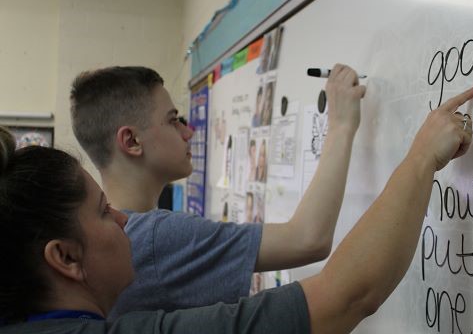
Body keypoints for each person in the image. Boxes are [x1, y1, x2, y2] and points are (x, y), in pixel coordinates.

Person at [0, 87, 473, 333]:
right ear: (64, 257)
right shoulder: (154, 241)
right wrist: (419, 159)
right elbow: (344, 293)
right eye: (104, 212)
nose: (125, 220)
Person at [69, 64, 366, 318]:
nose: (189, 132)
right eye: (174, 120)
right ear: (132, 141)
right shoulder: (155, 237)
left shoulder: (112, 239)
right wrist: (340, 126)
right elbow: (308, 239)